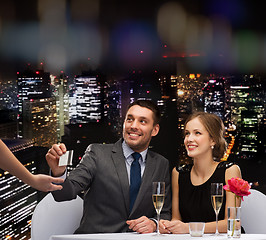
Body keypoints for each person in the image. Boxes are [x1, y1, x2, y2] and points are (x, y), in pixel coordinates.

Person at [46, 99, 171, 234]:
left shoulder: (161, 164)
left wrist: (154, 224)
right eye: (130, 119)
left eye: (143, 121)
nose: (134, 126)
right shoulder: (97, 153)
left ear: (155, 130)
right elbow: (64, 194)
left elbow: (165, 213)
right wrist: (58, 173)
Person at [160, 112, 241, 234]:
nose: (189, 139)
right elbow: (177, 219)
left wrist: (189, 228)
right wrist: (168, 226)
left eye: (197, 133)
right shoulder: (178, 173)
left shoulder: (230, 171)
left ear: (213, 140)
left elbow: (233, 224)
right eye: (187, 133)